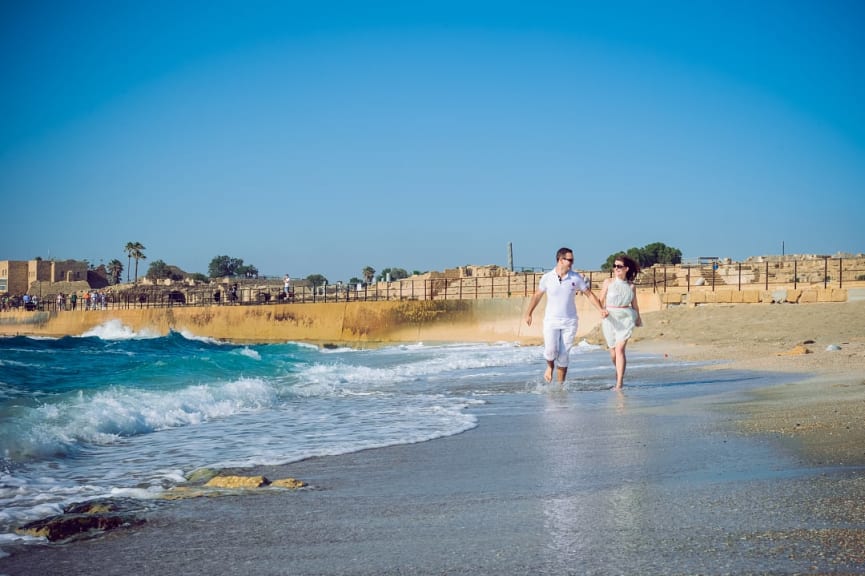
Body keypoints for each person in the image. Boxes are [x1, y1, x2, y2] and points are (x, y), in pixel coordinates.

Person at [525, 247, 606, 384]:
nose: (572, 263)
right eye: (569, 260)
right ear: (560, 260)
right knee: (551, 350)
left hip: (570, 321)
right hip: (551, 320)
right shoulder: (547, 278)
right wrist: (529, 313)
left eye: (572, 260)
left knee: (563, 355)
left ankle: (560, 386)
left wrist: (600, 309)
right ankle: (549, 366)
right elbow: (537, 295)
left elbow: (589, 294)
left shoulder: (576, 278)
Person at [599, 254, 642, 390]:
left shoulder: (631, 286)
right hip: (609, 318)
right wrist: (602, 310)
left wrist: (638, 318)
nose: (616, 268)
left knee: (620, 349)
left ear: (626, 269)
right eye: (615, 266)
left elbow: (635, 304)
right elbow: (600, 300)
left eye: (619, 266)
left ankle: (619, 383)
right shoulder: (608, 282)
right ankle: (618, 371)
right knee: (613, 353)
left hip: (625, 317)